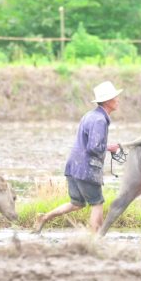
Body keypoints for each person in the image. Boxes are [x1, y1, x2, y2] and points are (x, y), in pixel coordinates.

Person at [32, 81, 122, 234]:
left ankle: (44, 218)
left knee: (77, 203)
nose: (118, 100)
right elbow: (94, 147)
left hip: (73, 167)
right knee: (97, 203)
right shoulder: (100, 120)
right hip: (87, 169)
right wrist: (110, 147)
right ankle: (94, 239)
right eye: (115, 97)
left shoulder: (90, 115)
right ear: (107, 101)